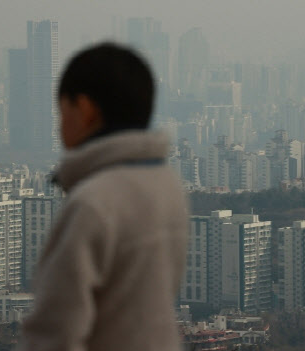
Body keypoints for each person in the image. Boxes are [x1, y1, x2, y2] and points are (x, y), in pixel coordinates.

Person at [19, 43, 188, 351]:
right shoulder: (168, 185)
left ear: (85, 110)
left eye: (62, 111)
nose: (59, 125)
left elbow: (55, 331)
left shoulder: (94, 201)